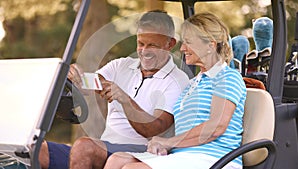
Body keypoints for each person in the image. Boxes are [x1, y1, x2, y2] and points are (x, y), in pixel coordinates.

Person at [38, 10, 189, 169]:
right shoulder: (121, 65)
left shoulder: (177, 80)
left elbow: (154, 129)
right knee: (37, 150)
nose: (144, 51)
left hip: (141, 153)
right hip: (106, 147)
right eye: (140, 43)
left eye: (152, 45)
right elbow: (92, 84)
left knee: (84, 147)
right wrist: (76, 77)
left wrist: (125, 100)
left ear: (170, 44)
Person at [103, 12, 247, 169]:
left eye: (189, 43)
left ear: (210, 46)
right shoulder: (193, 84)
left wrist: (169, 142)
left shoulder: (227, 77)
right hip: (184, 157)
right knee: (116, 160)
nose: (183, 48)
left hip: (213, 158)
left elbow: (216, 127)